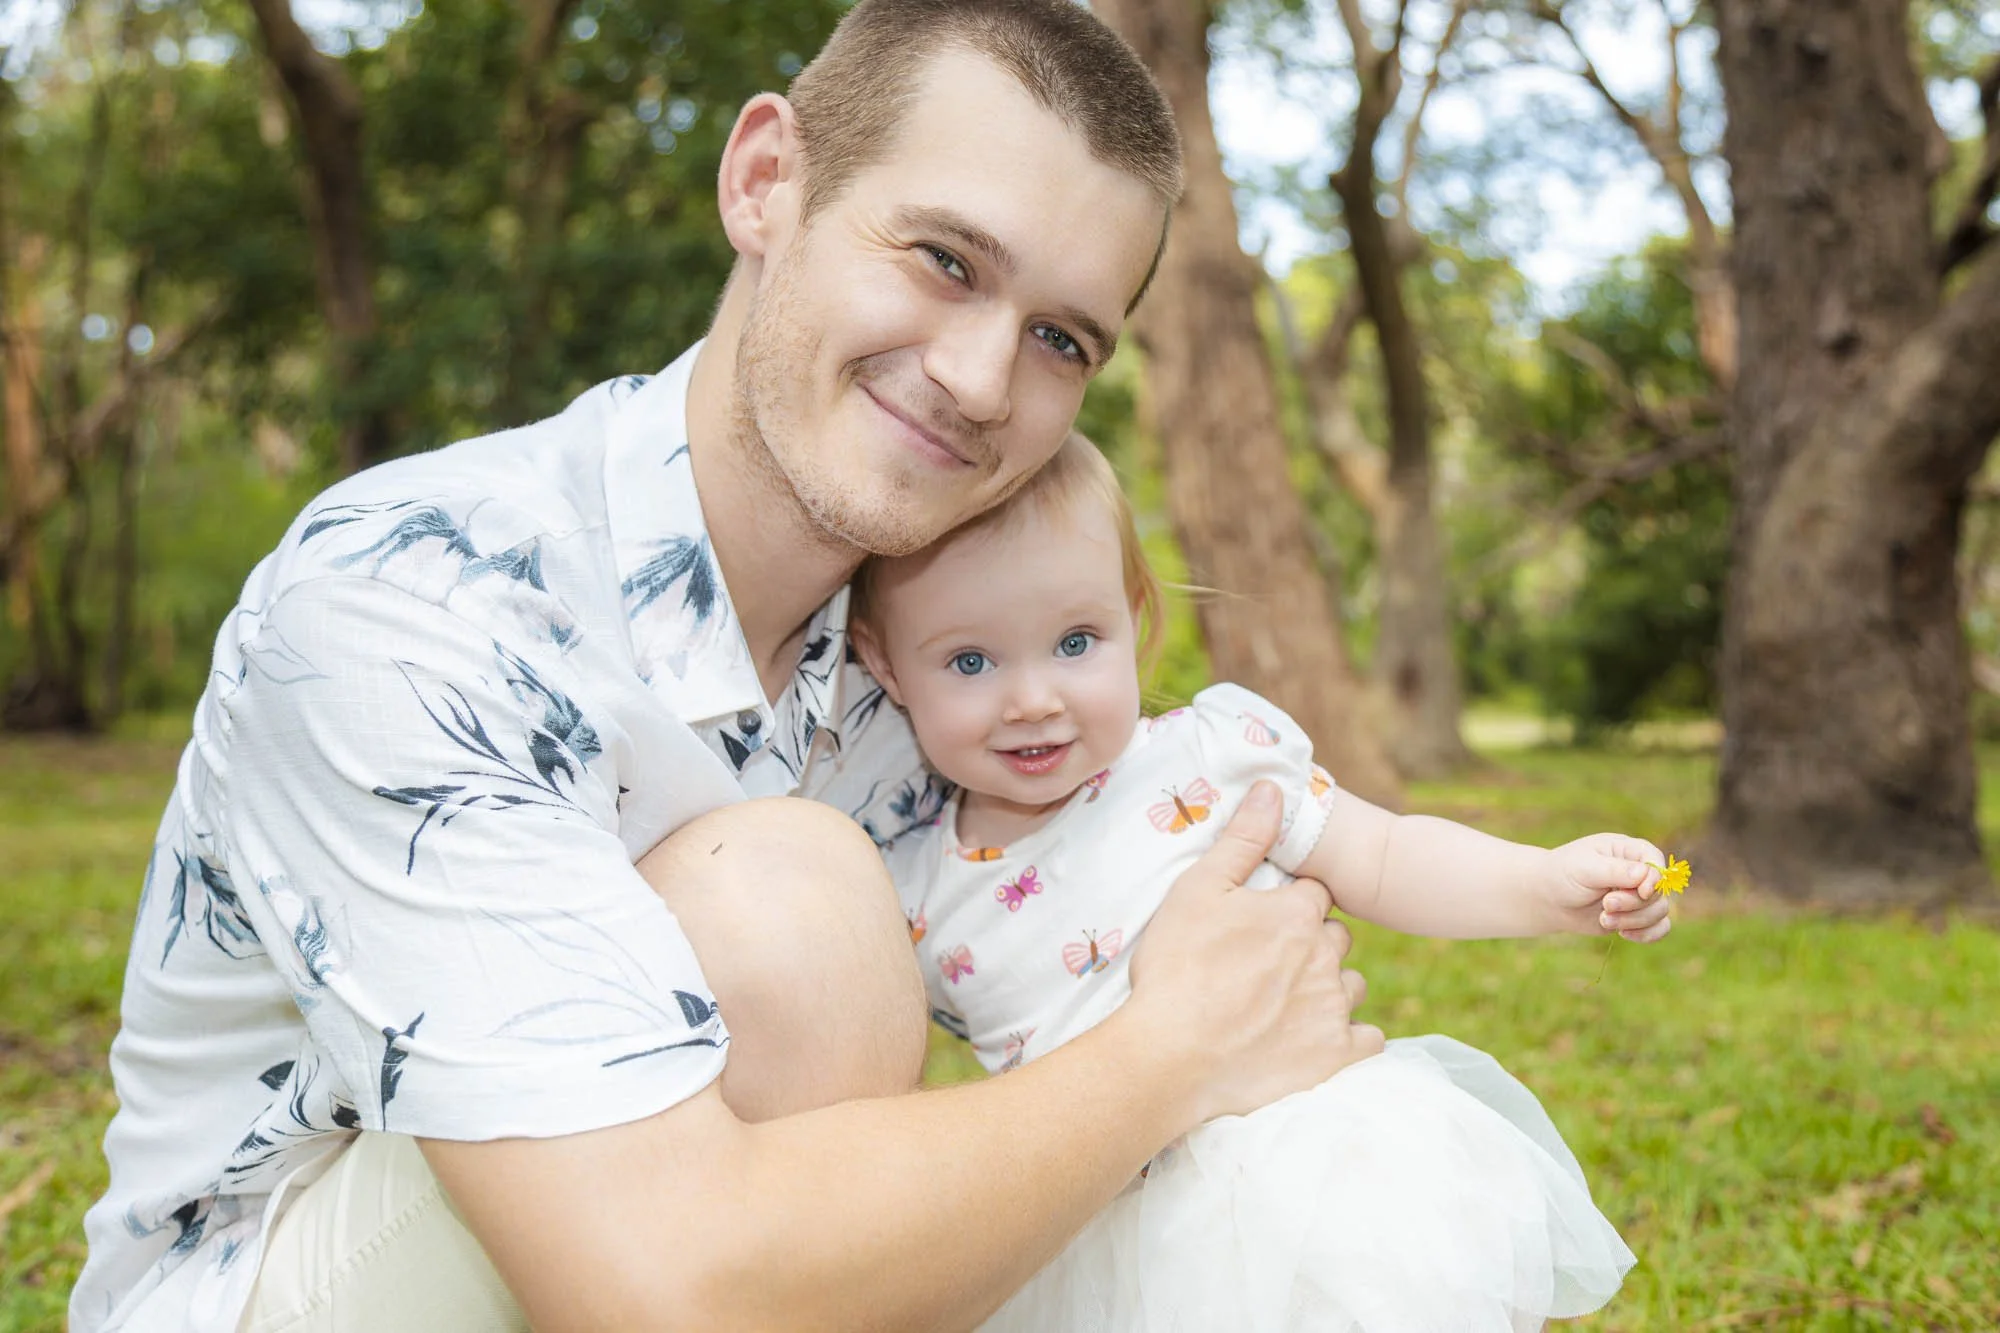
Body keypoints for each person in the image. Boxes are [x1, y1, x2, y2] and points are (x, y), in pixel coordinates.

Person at [73, 3, 1389, 1331]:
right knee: (789, 907)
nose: (986, 378)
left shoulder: (932, 665)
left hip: (668, 1239)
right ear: (768, 182)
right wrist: (1170, 1052)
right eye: (944, 259)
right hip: (296, 1275)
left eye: (1061, 339)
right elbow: (661, 1279)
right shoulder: (413, 596)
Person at [849, 432, 1671, 1331]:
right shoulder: (907, 891)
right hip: (1086, 1235)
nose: (1033, 697)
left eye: (1075, 640)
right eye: (971, 662)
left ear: (1135, 616)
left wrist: (1543, 883)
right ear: (885, 664)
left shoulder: (1211, 760)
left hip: (1302, 1175)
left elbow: (1387, 856)